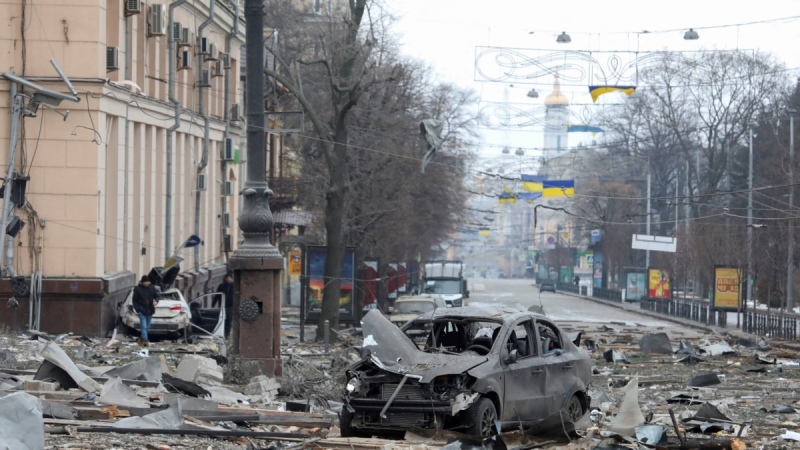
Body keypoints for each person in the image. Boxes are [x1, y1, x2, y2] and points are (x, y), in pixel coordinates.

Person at [132, 275, 159, 346]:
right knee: (143, 326)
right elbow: (134, 300)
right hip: (142, 311)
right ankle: (145, 341)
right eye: (145, 282)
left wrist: (156, 301)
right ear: (142, 282)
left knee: (147, 327)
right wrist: (138, 309)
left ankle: (141, 339)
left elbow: (157, 296)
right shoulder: (137, 289)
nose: (147, 283)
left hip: (150, 310)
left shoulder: (152, 288)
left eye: (148, 282)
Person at [213, 273, 234, 337]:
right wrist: (213, 303)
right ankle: (223, 333)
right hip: (222, 305)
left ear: (232, 279)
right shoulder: (221, 286)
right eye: (227, 278)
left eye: (230, 278)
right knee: (222, 319)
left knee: (229, 320)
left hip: (230, 306)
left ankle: (227, 333)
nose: (228, 280)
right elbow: (217, 295)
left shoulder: (234, 286)